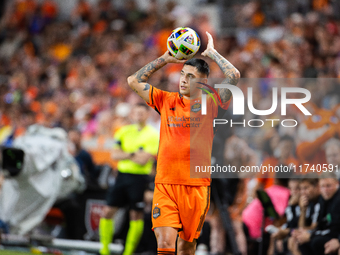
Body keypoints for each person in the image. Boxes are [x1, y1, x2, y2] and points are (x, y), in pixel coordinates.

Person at [127, 31, 240, 254]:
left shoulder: (212, 102)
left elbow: (234, 76)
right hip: (166, 184)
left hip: (196, 186)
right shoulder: (165, 100)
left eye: (190, 76)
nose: (183, 80)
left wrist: (213, 54)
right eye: (182, 74)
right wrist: (165, 59)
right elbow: (134, 81)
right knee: (166, 243)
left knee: (187, 246)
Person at [99, 103, 159, 255]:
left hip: (139, 178)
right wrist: (133, 154)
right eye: (136, 113)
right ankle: (104, 249)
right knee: (107, 211)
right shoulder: (123, 131)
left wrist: (125, 154)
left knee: (136, 215)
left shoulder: (153, 134)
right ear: (132, 114)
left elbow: (144, 160)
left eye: (142, 113)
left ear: (147, 115)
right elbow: (114, 155)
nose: (138, 116)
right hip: (122, 176)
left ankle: (128, 252)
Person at [295, 172, 340, 255]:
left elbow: (335, 228)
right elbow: (320, 225)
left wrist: (311, 236)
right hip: (328, 234)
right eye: (322, 186)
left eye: (328, 186)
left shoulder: (337, 200)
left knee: (316, 242)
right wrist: (303, 210)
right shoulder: (323, 200)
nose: (325, 190)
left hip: (335, 235)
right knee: (300, 241)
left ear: (337, 184)